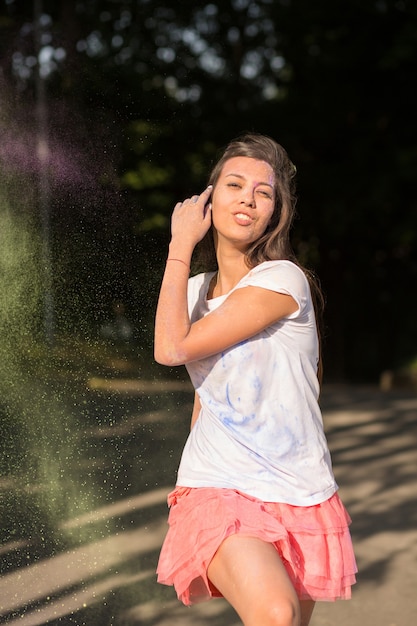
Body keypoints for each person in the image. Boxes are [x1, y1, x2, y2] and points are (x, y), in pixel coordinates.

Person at [154, 133, 357, 626]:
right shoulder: (194, 289)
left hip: (300, 491)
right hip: (219, 487)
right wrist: (181, 246)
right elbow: (175, 355)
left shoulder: (283, 279)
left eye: (263, 192)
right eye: (234, 184)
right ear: (209, 198)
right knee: (275, 613)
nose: (247, 197)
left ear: (274, 213)